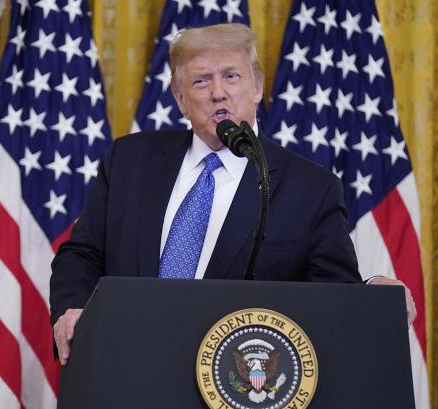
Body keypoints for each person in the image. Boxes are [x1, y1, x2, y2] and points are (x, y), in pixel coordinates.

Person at [50, 23, 415, 365]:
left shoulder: (311, 190)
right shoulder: (129, 161)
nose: (217, 92)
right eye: (200, 81)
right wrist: (75, 309)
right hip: (126, 365)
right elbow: (81, 254)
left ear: (256, 87)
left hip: (235, 388)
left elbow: (330, 298)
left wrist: (371, 294)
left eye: (230, 76)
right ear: (180, 100)